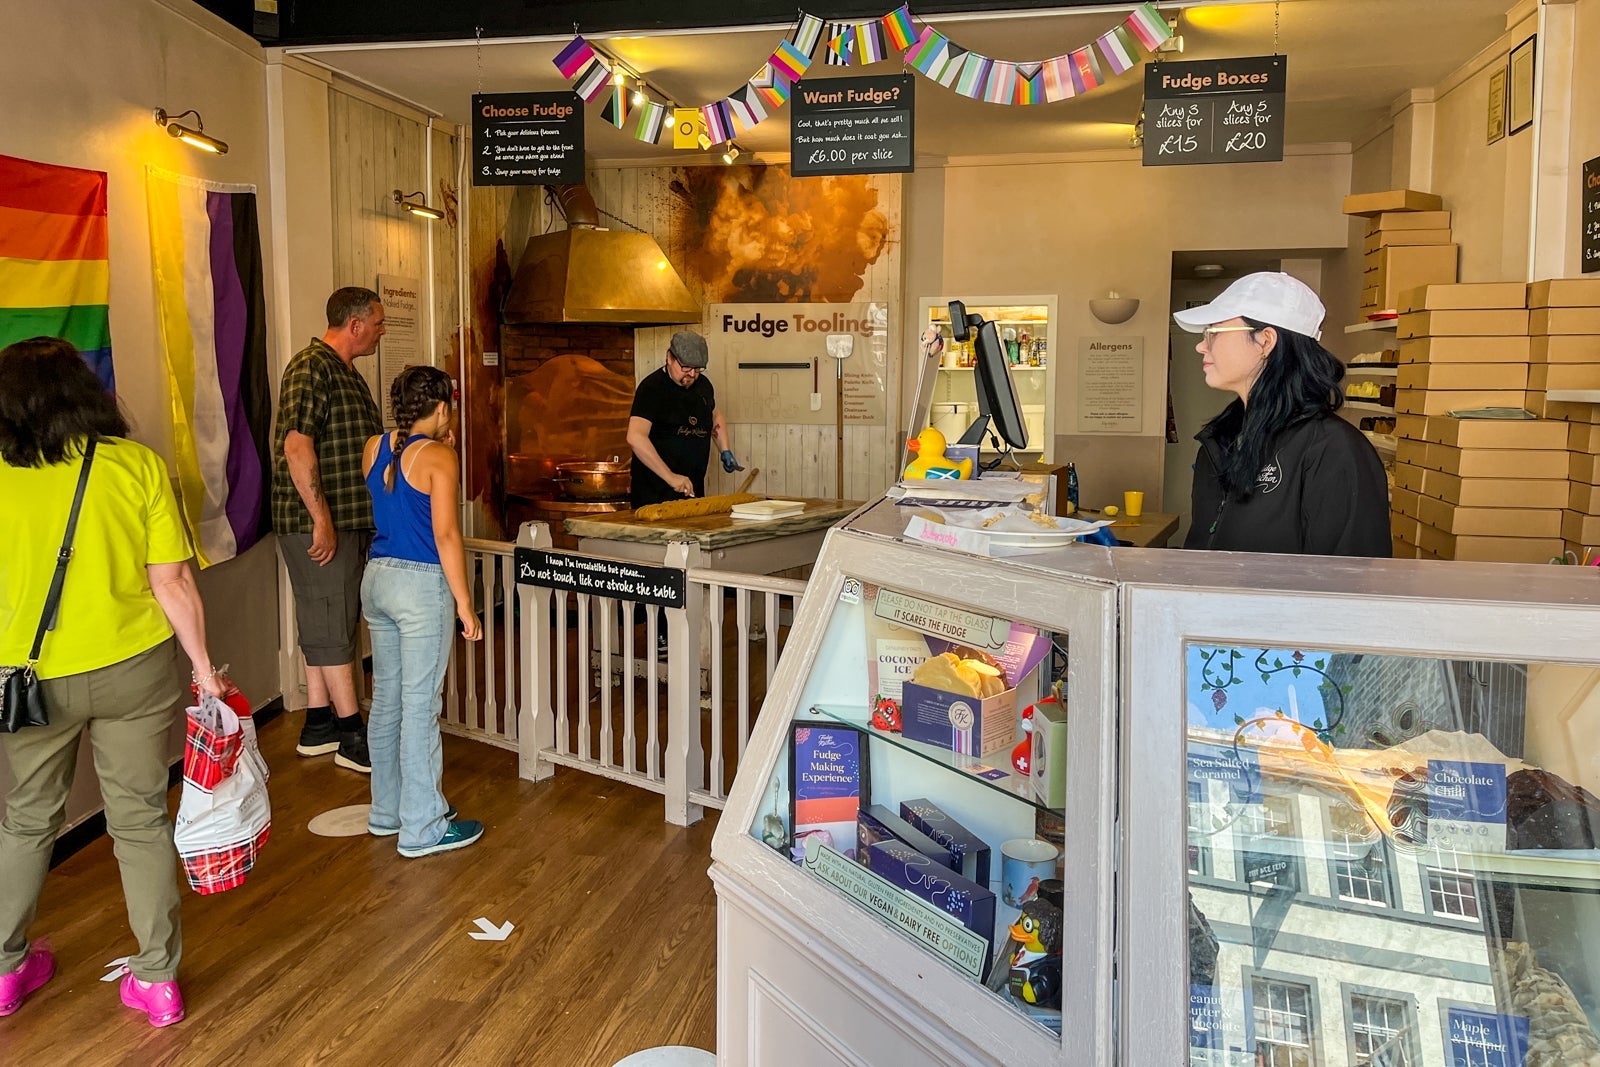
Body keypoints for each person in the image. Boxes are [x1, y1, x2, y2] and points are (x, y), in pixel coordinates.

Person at [0, 337, 230, 1026]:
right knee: (138, 819)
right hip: (134, 670)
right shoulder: (135, 465)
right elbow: (173, 582)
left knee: (27, 819)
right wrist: (203, 669)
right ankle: (158, 980)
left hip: (31, 681)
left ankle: (5, 972)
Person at [1173, 272, 1391, 557]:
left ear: (1265, 341)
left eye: (1213, 333)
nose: (1201, 345)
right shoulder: (1222, 441)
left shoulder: (1334, 449)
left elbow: (1352, 575)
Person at [359, 366, 486, 857]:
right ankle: (423, 827)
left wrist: (432, 440)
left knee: (386, 701)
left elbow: (394, 496)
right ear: (442, 408)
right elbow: (446, 534)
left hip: (377, 578)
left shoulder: (375, 447)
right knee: (419, 706)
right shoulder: (440, 457)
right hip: (419, 585)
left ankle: (387, 811)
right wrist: (465, 604)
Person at [271, 287, 385, 772]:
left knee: (325, 619)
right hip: (319, 522)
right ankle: (352, 735)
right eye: (377, 323)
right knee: (333, 622)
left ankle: (319, 723)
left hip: (344, 519)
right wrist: (322, 520)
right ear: (354, 325)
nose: (382, 331)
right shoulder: (311, 366)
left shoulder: (345, 372)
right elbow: (297, 447)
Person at [626, 330, 741, 509]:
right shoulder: (651, 389)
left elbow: (714, 414)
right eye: (685, 367)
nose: (692, 374)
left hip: (692, 491)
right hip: (654, 496)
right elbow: (635, 437)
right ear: (669, 358)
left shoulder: (703, 386)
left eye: (697, 369)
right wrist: (671, 477)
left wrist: (725, 449)